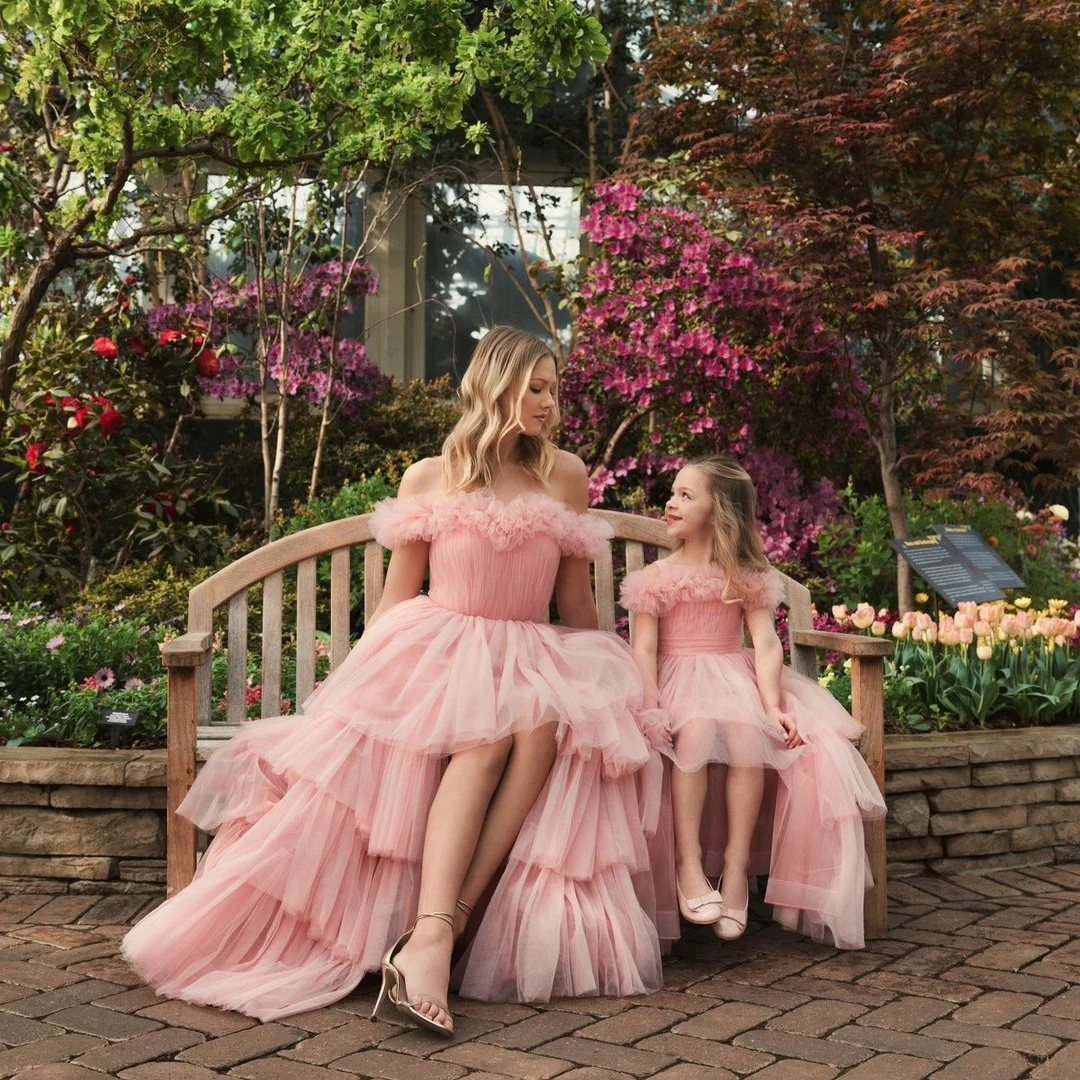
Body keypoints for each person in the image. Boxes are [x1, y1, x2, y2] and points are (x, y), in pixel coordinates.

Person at [122, 327, 668, 1033]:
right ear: (494, 385)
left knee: (538, 726)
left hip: (531, 652)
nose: (548, 403)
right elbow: (398, 596)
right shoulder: (431, 476)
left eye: (554, 389)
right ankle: (436, 936)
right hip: (440, 647)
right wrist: (359, 694)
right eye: (534, 387)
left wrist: (612, 690)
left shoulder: (562, 475)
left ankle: (438, 934)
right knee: (487, 738)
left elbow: (575, 603)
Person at [620, 456, 886, 949]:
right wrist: (652, 704)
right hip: (674, 679)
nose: (671, 502)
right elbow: (645, 648)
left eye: (685, 495)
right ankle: (690, 865)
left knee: (749, 735)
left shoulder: (742, 575)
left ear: (718, 511)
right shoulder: (657, 577)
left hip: (732, 676)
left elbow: (765, 642)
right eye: (673, 492)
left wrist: (771, 705)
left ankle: (738, 871)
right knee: (695, 729)